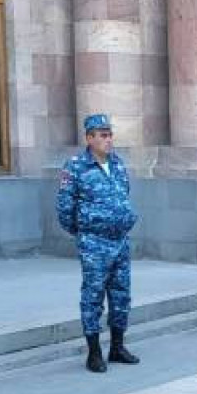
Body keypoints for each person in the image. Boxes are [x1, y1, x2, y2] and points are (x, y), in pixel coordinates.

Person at [56, 113, 140, 373]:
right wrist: (85, 233)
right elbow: (64, 208)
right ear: (89, 138)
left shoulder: (117, 164)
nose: (108, 139)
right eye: (102, 135)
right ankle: (94, 352)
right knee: (93, 297)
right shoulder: (76, 167)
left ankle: (117, 346)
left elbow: (124, 193)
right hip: (94, 243)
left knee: (121, 295)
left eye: (110, 134)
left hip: (120, 241)